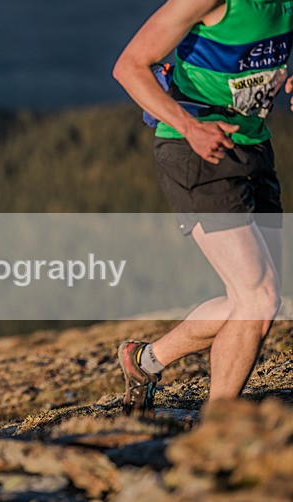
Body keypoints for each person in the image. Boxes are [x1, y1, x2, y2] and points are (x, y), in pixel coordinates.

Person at [113, 0, 292, 414]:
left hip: (252, 145)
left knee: (258, 299)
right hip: (193, 147)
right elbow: (129, 66)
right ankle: (217, 429)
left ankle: (144, 361)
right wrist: (190, 127)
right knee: (258, 298)